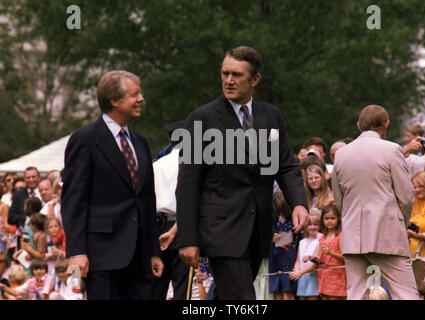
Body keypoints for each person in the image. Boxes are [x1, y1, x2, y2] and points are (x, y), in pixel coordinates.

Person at [176, 46, 309, 299]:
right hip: (221, 232)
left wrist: (299, 203)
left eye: (236, 75)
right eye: (225, 73)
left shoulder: (271, 116)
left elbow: (285, 166)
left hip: (259, 230)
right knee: (243, 300)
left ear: (255, 79)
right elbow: (188, 185)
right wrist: (188, 239)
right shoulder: (201, 119)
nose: (229, 81)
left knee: (226, 297)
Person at [61, 70, 163, 300]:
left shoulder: (140, 142)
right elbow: (73, 200)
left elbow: (147, 199)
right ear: (115, 101)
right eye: (135, 94)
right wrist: (77, 252)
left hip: (140, 257)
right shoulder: (84, 140)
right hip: (101, 256)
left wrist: (153, 251)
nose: (141, 99)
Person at [332, 104, 419, 300]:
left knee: (355, 294)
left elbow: (339, 199)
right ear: (386, 124)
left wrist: (349, 219)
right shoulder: (392, 150)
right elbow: (406, 196)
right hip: (387, 233)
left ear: (358, 125)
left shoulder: (341, 154)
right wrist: (401, 224)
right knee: (406, 294)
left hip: (353, 236)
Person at [151, 120, 192, 300]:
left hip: (159, 225)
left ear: (171, 140)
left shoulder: (157, 165)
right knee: (183, 287)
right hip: (183, 225)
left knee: (157, 285)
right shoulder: (193, 165)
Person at [269, 192, 297, 300]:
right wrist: (270, 238)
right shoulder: (271, 220)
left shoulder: (292, 220)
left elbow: (299, 235)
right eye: (278, 211)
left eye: (283, 212)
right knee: (277, 289)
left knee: (288, 288)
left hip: (288, 255)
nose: (281, 215)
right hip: (275, 256)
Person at [315, 204, 346, 300]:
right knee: (324, 297)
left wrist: (331, 253)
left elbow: (345, 258)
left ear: (338, 219)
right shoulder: (322, 237)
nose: (329, 221)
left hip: (337, 275)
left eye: (332, 218)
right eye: (326, 218)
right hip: (323, 275)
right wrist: (310, 257)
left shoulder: (340, 236)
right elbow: (319, 257)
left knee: (334, 297)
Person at [289, 209, 322, 300]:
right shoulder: (302, 242)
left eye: (315, 224)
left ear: (320, 225)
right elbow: (298, 260)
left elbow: (314, 264)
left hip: (313, 278)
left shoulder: (320, 241)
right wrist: (296, 270)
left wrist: (300, 273)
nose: (312, 227)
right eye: (309, 224)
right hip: (302, 278)